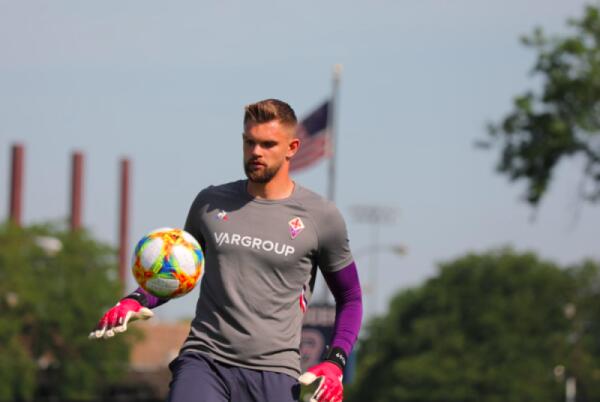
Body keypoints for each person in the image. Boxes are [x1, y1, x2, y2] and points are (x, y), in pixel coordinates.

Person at [90, 99, 363, 402]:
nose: (256, 152)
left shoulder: (322, 217)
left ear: (292, 148)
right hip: (205, 360)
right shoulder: (209, 202)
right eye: (249, 142)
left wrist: (336, 362)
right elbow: (178, 273)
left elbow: (350, 297)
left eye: (268, 144)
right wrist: (137, 299)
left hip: (275, 372)